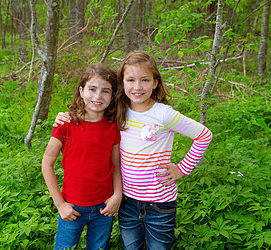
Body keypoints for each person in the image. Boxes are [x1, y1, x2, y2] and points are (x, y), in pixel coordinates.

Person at [54, 51, 213, 249]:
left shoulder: (164, 114)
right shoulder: (119, 110)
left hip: (159, 202)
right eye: (130, 80)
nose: (137, 87)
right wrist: (65, 117)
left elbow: (204, 135)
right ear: (122, 83)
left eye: (145, 80)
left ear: (155, 82)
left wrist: (182, 169)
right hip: (127, 201)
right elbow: (91, 114)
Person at [42, 63, 122, 250]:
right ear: (81, 90)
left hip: (104, 207)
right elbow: (47, 164)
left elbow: (116, 165)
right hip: (72, 207)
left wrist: (117, 194)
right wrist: (60, 204)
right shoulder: (66, 124)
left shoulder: (112, 128)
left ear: (112, 96)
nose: (97, 96)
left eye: (105, 91)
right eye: (92, 89)